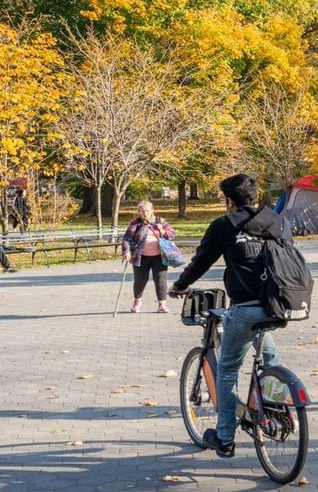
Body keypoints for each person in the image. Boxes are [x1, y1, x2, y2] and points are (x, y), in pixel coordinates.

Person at [169, 174, 295, 459]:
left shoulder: (224, 226)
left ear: (229, 200)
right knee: (271, 360)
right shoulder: (279, 222)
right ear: (256, 195)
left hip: (245, 307)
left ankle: (225, 437)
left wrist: (179, 286)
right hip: (279, 305)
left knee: (227, 370)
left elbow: (200, 262)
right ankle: (278, 410)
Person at [120, 200, 177, 313]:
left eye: (147, 211)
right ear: (139, 212)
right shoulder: (135, 223)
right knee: (140, 281)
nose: (145, 213)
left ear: (152, 211)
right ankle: (137, 303)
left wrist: (163, 231)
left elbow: (172, 234)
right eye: (142, 211)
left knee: (160, 280)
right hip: (140, 256)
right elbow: (127, 239)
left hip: (159, 256)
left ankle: (162, 305)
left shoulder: (160, 221)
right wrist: (126, 251)